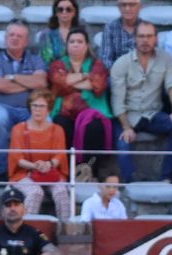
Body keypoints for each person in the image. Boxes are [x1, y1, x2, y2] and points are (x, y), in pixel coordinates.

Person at [110, 22, 172, 182]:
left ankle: (166, 177)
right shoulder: (121, 63)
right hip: (127, 115)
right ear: (134, 39)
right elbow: (117, 100)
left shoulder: (165, 58)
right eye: (141, 36)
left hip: (152, 114)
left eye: (149, 36)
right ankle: (131, 182)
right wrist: (126, 127)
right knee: (123, 144)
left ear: (156, 38)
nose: (145, 40)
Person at [0, 20, 45, 181]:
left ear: (26, 41)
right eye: (11, 35)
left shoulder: (36, 60)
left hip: (29, 109)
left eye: (19, 36)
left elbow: (41, 83)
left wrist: (12, 77)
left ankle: (38, 172)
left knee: (47, 120)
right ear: (5, 38)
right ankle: (1, 171)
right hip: (1, 106)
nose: (14, 38)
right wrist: (28, 84)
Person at [50, 26, 112, 178]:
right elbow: (60, 82)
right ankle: (65, 173)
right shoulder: (58, 64)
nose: (75, 45)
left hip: (91, 111)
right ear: (67, 45)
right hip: (64, 112)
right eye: (72, 42)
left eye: (79, 41)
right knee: (61, 125)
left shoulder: (97, 64)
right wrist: (86, 76)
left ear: (86, 45)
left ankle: (89, 173)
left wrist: (70, 82)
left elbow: (98, 85)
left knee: (94, 127)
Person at [7, 89, 69, 217]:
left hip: (51, 172)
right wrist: (35, 166)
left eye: (41, 106)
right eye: (34, 105)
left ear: (49, 109)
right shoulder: (18, 129)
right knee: (35, 192)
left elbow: (59, 155)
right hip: (24, 173)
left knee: (62, 193)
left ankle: (65, 227)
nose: (37, 110)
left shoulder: (57, 129)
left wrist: (48, 164)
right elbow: (18, 158)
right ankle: (28, 226)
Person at [99, 0, 142, 66]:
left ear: (139, 7)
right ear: (119, 7)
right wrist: (119, 70)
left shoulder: (147, 28)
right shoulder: (110, 28)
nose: (127, 8)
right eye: (123, 5)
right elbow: (106, 58)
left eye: (132, 5)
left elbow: (152, 57)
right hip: (116, 69)